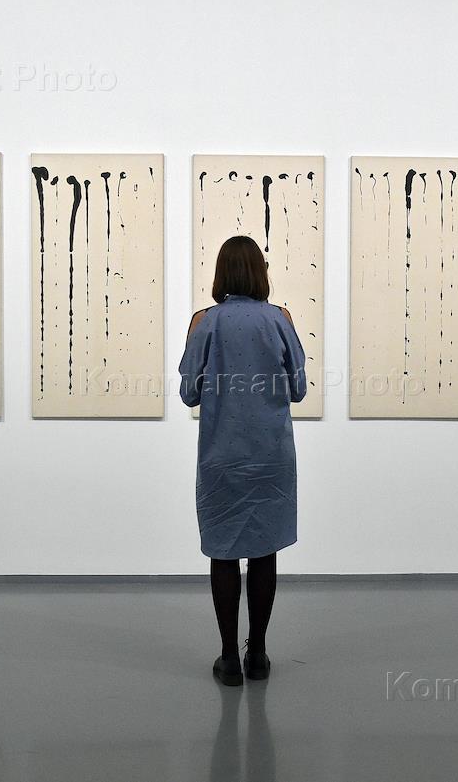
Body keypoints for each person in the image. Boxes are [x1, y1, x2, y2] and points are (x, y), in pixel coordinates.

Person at [178, 234, 307, 686]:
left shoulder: (204, 321)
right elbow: (298, 389)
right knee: (264, 551)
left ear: (220, 274)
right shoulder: (279, 318)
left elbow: (188, 392)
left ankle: (229, 657)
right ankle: (259, 654)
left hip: (222, 455)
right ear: (259, 273)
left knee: (223, 551)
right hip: (271, 455)